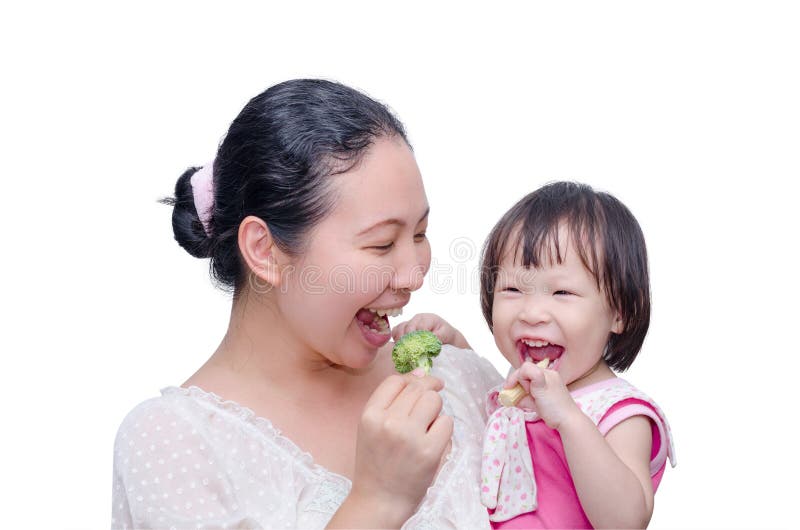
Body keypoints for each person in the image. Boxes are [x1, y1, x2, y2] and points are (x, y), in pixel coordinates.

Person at [110, 79, 503, 529]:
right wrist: (379, 501)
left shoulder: (459, 379)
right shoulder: (173, 442)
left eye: (419, 234)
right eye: (380, 244)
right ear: (265, 250)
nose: (414, 274)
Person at [395, 182, 676, 528]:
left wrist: (569, 420)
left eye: (562, 292)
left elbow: (627, 520)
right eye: (512, 289)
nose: (531, 312)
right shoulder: (522, 395)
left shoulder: (620, 412)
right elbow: (487, 393)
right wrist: (455, 344)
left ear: (620, 313)